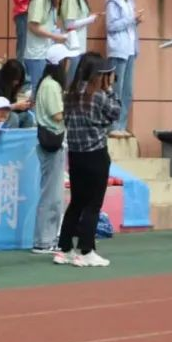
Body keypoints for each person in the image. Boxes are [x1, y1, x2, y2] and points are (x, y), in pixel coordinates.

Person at [55, 51, 120, 268]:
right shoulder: (98, 95)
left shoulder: (70, 95)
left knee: (76, 202)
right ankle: (86, 250)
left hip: (75, 155)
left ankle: (64, 249)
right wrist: (109, 88)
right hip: (96, 154)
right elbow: (116, 112)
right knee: (93, 204)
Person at [33, 43, 71, 254]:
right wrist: (74, 109)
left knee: (55, 195)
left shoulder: (48, 84)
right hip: (52, 141)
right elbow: (57, 115)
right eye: (67, 60)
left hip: (54, 141)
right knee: (51, 195)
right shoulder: (51, 86)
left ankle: (48, 237)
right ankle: (43, 240)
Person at [105, 0, 141, 139]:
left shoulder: (130, 1)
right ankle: (113, 126)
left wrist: (136, 21)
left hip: (130, 49)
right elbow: (111, 26)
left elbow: (129, 24)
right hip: (118, 49)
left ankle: (122, 124)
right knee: (116, 89)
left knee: (127, 91)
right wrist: (131, 19)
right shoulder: (113, 2)